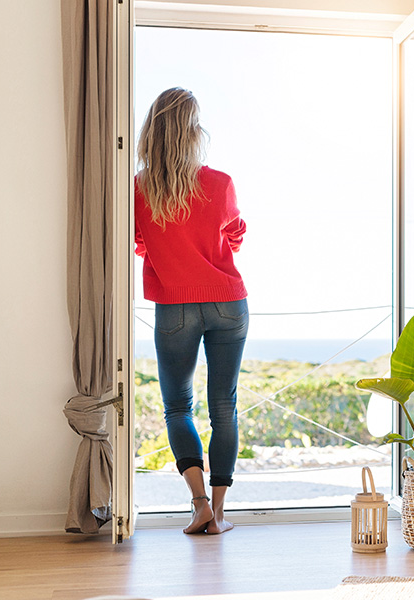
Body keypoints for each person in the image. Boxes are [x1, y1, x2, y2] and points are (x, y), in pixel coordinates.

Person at [134, 87, 248, 535]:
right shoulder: (219, 183)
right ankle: (219, 513)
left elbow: (140, 243)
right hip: (227, 301)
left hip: (174, 307)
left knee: (178, 407)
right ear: (192, 132)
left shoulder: (141, 188)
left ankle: (198, 504)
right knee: (224, 407)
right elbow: (235, 235)